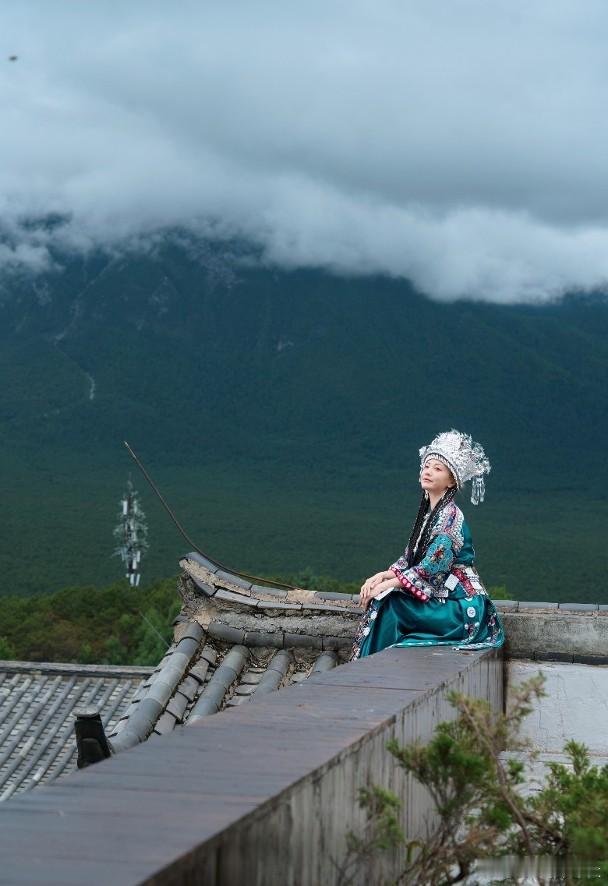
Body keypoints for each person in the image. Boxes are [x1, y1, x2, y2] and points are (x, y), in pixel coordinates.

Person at [351, 430, 504, 660]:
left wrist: (387, 586)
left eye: (437, 468)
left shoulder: (450, 519)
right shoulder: (430, 516)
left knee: (390, 604)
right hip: (445, 600)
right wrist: (381, 576)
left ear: (452, 480)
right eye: (426, 466)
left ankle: (370, 669)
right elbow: (409, 560)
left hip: (462, 608)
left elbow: (430, 569)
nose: (428, 471)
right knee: (386, 599)